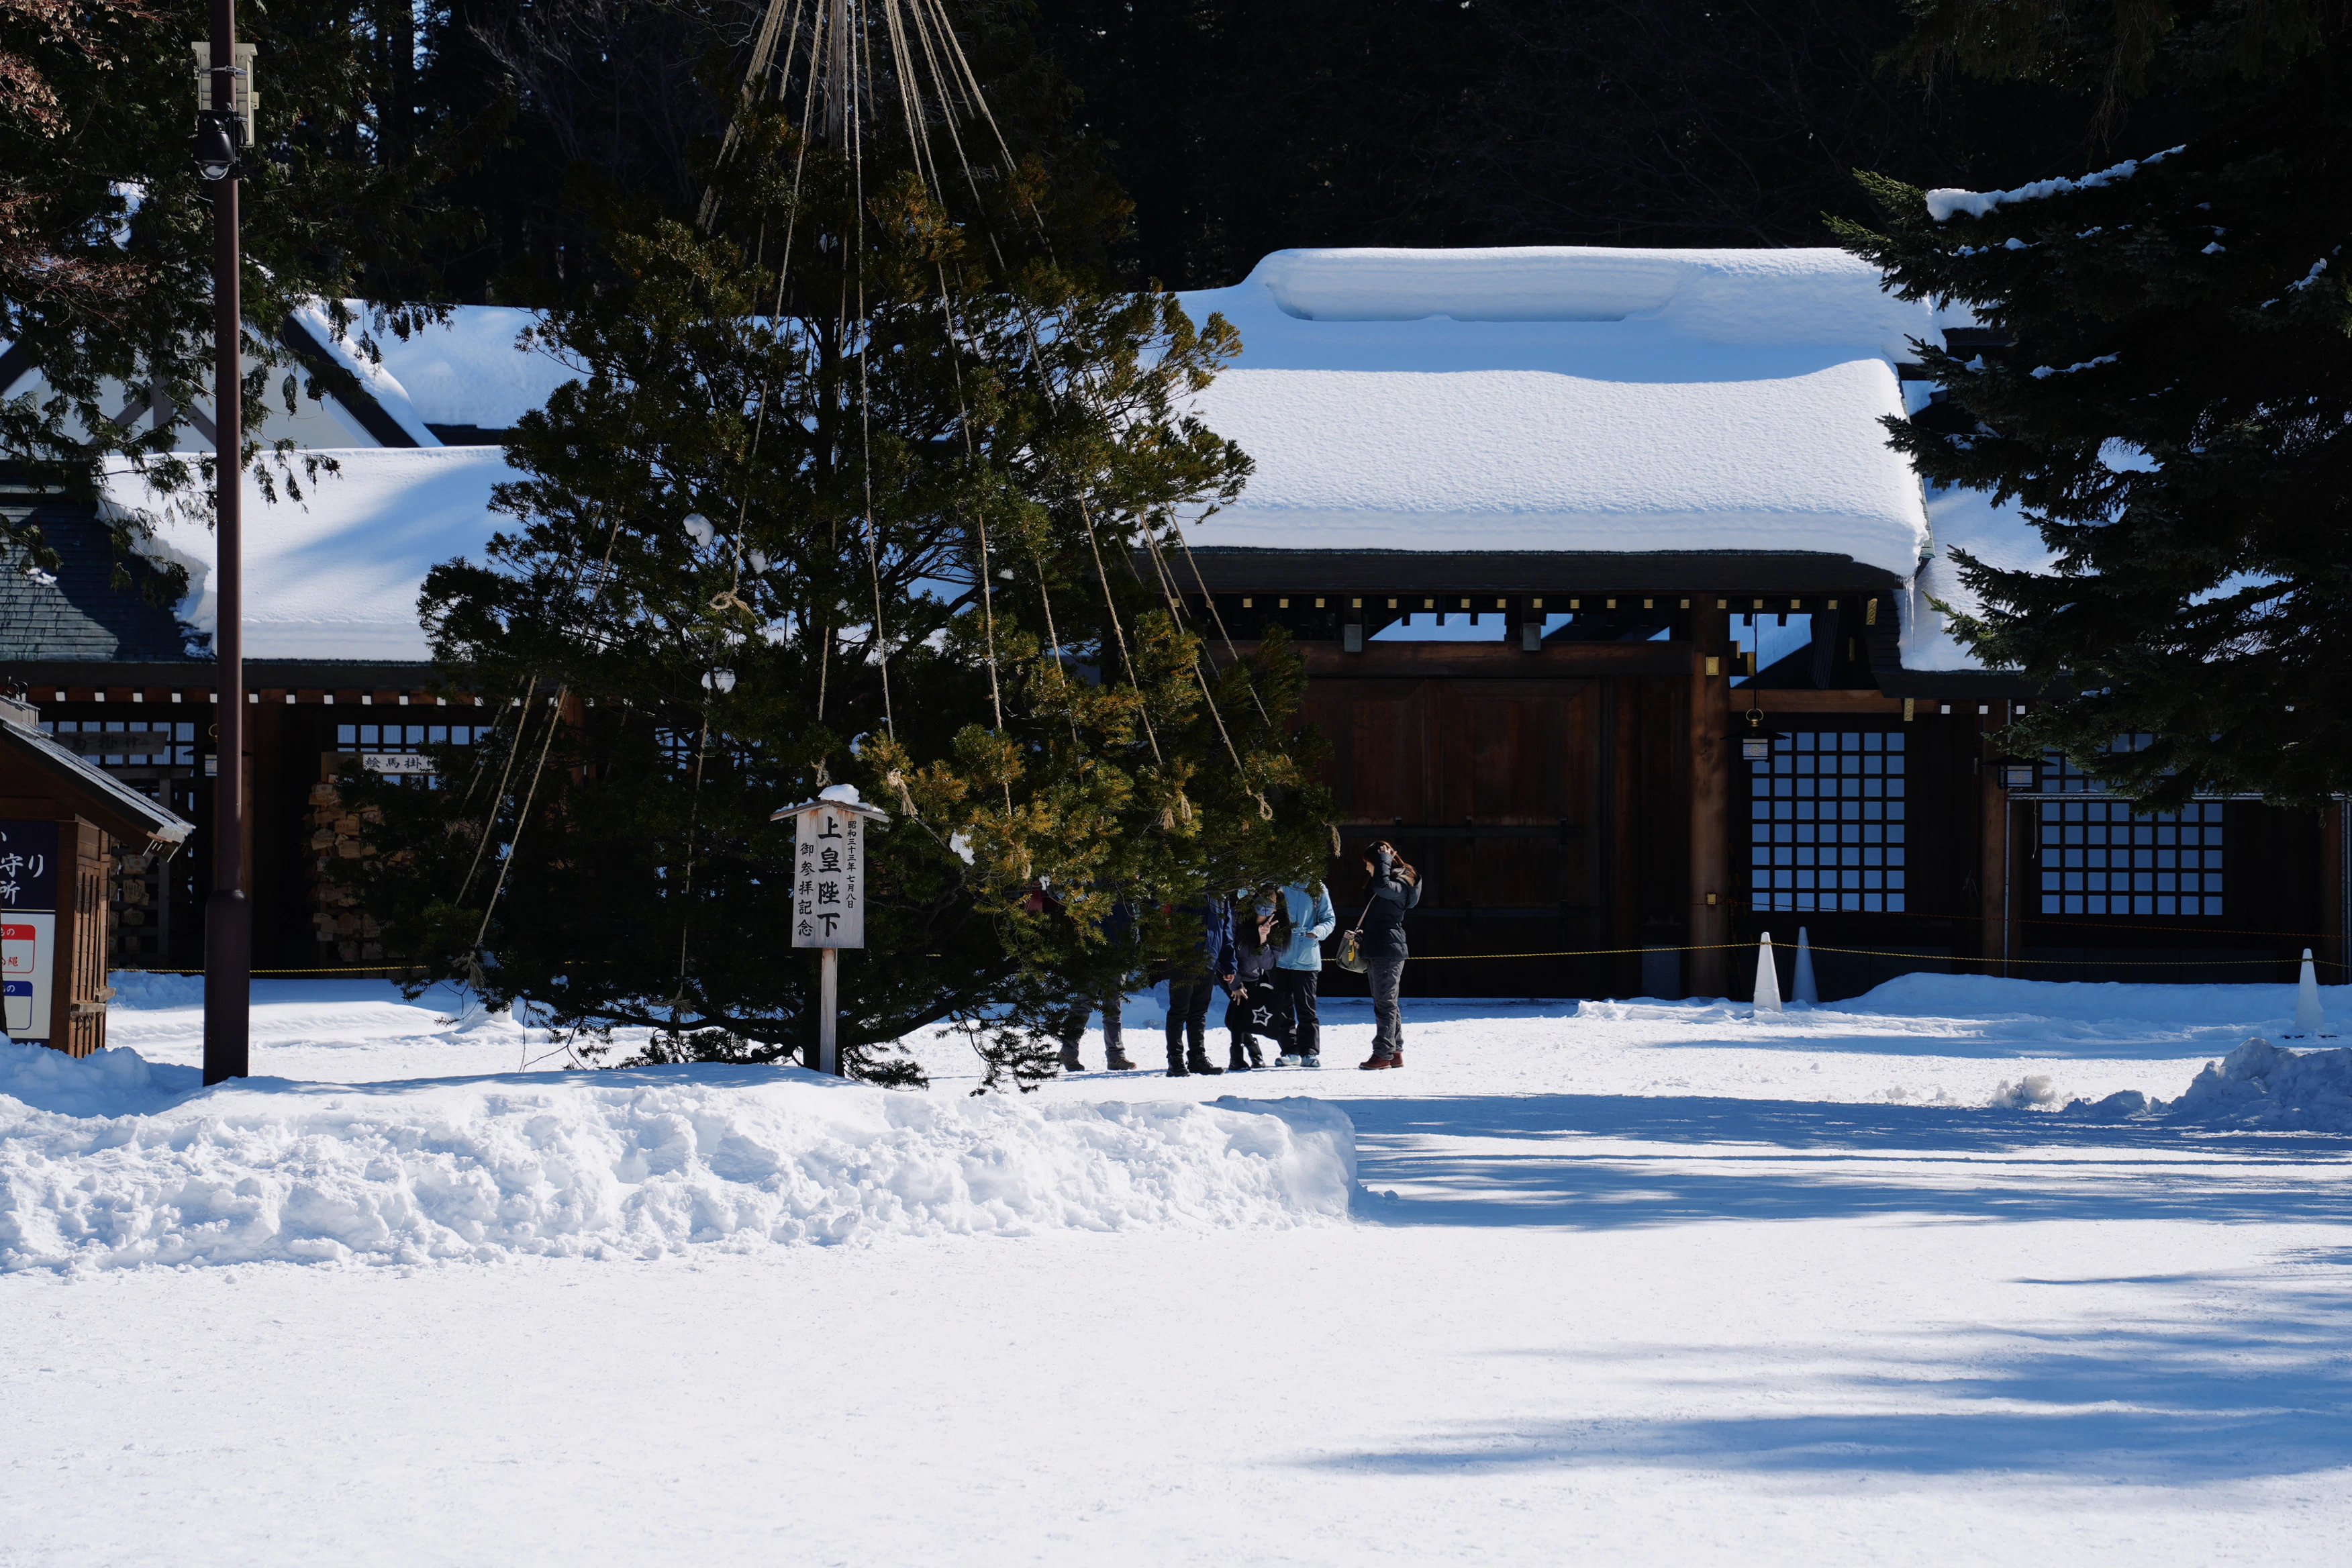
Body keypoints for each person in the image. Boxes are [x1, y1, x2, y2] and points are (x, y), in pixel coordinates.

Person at [1355, 840, 1420, 1069]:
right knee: (1387, 1003)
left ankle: (1383, 1054)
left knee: (1385, 1005)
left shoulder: (1400, 885)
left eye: (1369, 864)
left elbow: (1381, 887)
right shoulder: (1391, 883)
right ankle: (1395, 1051)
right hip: (1379, 947)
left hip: (1388, 950)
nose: (1367, 868)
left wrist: (1383, 861)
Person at [1164, 891, 1236, 1077]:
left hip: (1208, 959)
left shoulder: (1220, 895)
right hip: (1184, 958)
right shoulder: (1186, 889)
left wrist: (1228, 964)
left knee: (1199, 1012)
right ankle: (1175, 1059)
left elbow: (1226, 929)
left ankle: (1197, 1057)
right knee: (1179, 1010)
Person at [1272, 879, 1336, 1067]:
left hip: (1307, 955)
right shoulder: (1278, 883)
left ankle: (1309, 1052)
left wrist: (1315, 933)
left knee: (1306, 1007)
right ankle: (1289, 1051)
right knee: (1282, 1007)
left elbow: (1329, 919)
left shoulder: (1317, 887)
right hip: (1281, 954)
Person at [1224, 889, 1289, 1071]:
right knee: (1234, 1018)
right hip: (1230, 972)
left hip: (1253, 977)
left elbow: (1268, 964)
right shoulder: (1240, 917)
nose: (1265, 905)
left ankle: (1242, 1057)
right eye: (1262, 900)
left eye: (1271, 903)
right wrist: (1235, 983)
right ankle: (1245, 1054)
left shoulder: (1278, 929)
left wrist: (1263, 938)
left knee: (1235, 1018)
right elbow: (1229, 949)